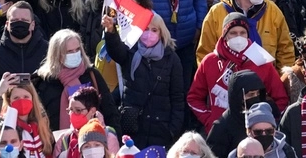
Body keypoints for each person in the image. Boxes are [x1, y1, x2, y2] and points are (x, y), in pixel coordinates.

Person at [188, 13, 289, 133]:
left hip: (254, 135)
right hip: (219, 132)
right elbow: (194, 98)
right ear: (225, 35)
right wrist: (209, 120)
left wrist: (265, 122)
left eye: (242, 33)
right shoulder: (210, 61)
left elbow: (281, 99)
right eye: (233, 33)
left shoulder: (262, 61)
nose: (238, 37)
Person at [101, 11, 184, 149]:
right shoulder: (131, 52)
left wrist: (173, 130)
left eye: (154, 30)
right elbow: (116, 50)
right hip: (133, 129)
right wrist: (110, 31)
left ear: (161, 32)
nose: (149, 33)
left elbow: (178, 98)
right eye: (145, 29)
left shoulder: (172, 59)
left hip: (161, 130)